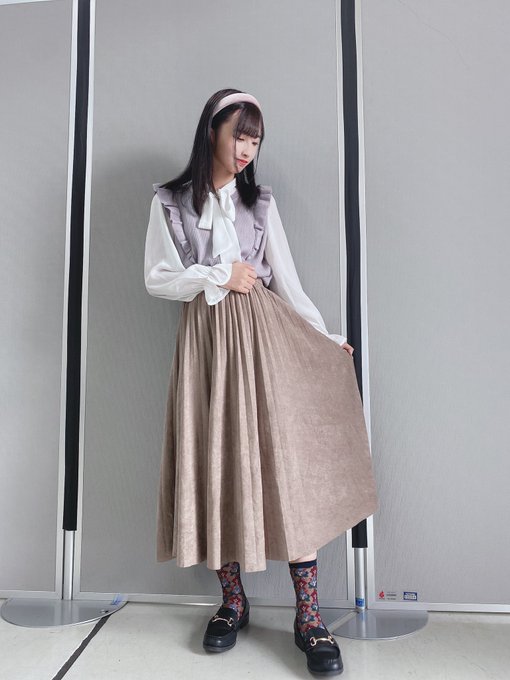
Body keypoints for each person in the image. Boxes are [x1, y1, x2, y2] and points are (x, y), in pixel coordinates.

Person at [144, 88, 379, 677]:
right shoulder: (171, 202)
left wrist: (323, 338)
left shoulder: (260, 205)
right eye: (239, 135)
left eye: (255, 139)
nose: (247, 149)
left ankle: (309, 617)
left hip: (265, 343)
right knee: (216, 466)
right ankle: (233, 603)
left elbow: (288, 285)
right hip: (205, 348)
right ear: (212, 132)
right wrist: (218, 273)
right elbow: (157, 278)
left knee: (286, 468)